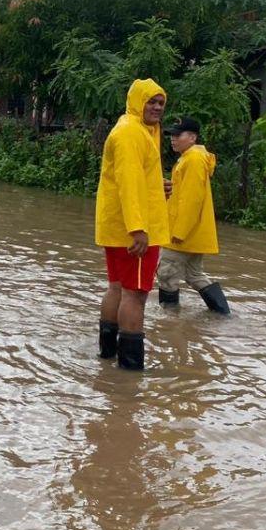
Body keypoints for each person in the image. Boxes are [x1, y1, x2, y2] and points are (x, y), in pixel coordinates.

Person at [94, 78, 170, 371]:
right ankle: (130, 372)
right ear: (137, 101)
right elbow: (127, 182)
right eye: (151, 101)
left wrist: (156, 185)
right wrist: (137, 228)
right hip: (134, 230)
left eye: (161, 102)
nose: (156, 107)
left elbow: (136, 177)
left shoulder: (137, 130)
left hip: (118, 226)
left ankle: (107, 356)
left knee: (116, 288)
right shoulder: (130, 133)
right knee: (135, 295)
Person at [158, 117, 230, 314]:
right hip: (192, 231)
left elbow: (192, 200)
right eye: (171, 135)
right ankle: (222, 315)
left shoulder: (194, 160)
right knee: (193, 274)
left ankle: (168, 321)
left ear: (192, 137)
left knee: (166, 273)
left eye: (177, 135)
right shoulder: (190, 158)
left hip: (182, 232)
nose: (173, 139)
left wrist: (179, 231)